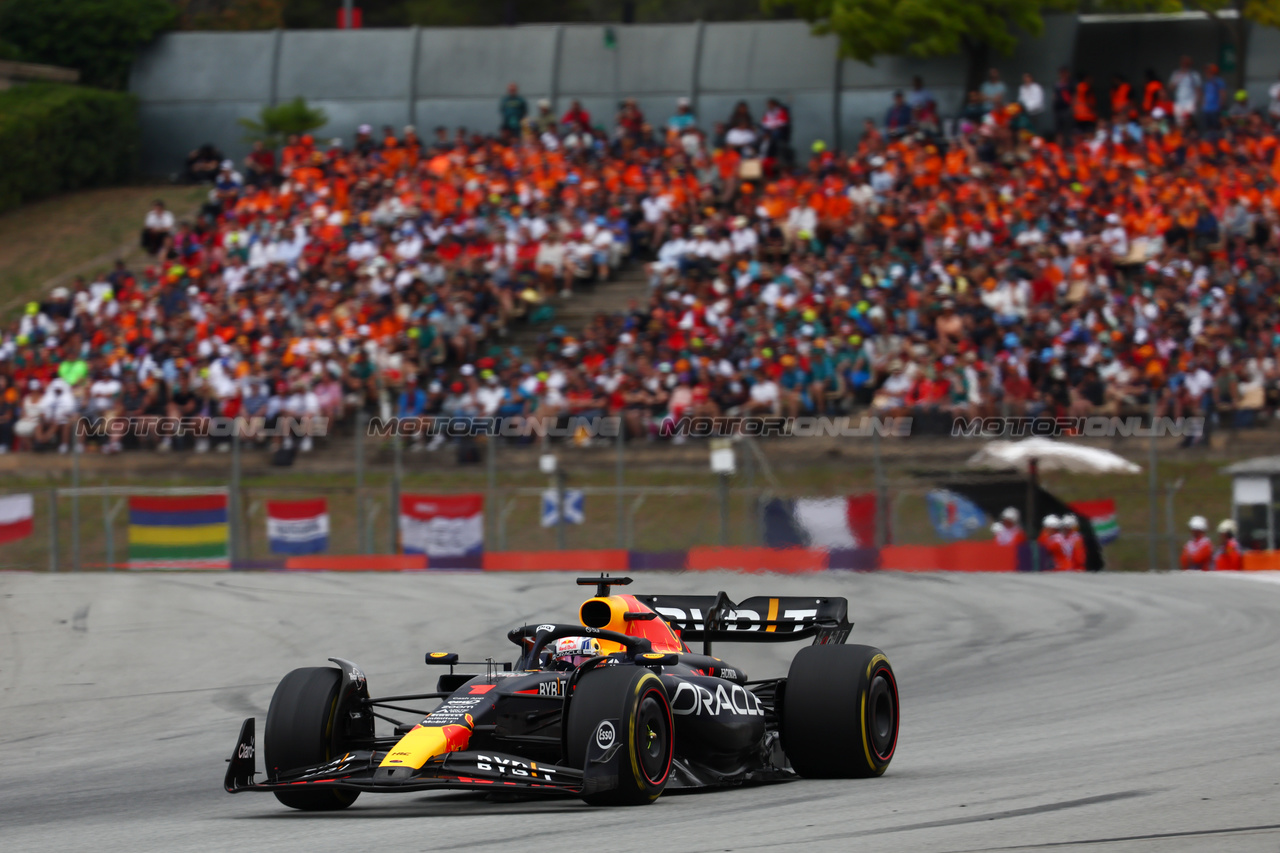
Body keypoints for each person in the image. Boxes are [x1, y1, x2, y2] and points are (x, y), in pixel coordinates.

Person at [1168, 56, 1202, 126]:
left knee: (1189, 121)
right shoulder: (1176, 73)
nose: (1184, 64)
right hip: (1179, 101)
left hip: (1190, 101)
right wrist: (1177, 79)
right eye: (1183, 63)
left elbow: (1198, 89)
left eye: (1187, 63)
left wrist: (1197, 102)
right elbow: (1170, 88)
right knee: (1179, 122)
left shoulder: (1194, 75)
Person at [1201, 63, 1226, 132]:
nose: (1207, 72)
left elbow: (1222, 94)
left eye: (1209, 70)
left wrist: (1221, 105)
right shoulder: (1206, 82)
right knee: (1208, 128)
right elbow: (1204, 94)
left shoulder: (1219, 81)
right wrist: (1203, 104)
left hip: (1215, 109)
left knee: (1216, 127)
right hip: (1206, 109)